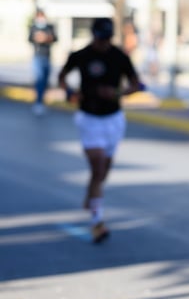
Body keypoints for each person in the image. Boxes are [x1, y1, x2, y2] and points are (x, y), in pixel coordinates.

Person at [57, 17, 142, 244]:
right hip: (89, 118)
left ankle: (91, 195)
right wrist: (70, 93)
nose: (103, 43)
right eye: (99, 38)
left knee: (104, 171)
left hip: (113, 118)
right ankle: (97, 222)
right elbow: (62, 77)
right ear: (93, 35)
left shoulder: (119, 56)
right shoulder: (81, 56)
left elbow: (136, 84)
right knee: (98, 165)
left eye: (106, 39)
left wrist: (116, 94)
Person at [28, 8, 57, 115]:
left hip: (47, 56)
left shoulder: (50, 27)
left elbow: (55, 38)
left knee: (45, 80)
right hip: (37, 57)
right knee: (39, 79)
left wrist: (46, 38)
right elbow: (30, 39)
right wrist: (37, 38)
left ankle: (42, 100)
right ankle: (38, 102)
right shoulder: (34, 27)